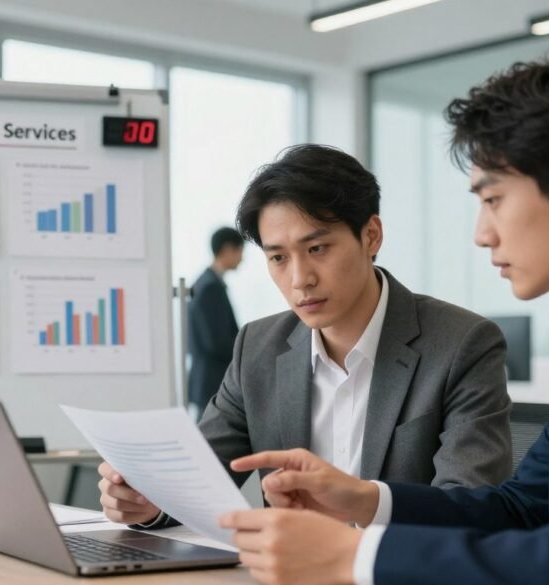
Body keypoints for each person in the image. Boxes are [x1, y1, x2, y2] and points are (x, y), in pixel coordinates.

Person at [219, 49, 549, 585]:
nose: (481, 234)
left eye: (493, 199)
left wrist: (352, 557)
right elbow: (521, 508)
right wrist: (364, 498)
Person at [98, 144, 513, 528]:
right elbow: (195, 479)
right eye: (278, 257)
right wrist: (149, 501)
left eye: (317, 249)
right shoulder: (257, 348)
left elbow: (469, 509)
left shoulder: (462, 344)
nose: (300, 279)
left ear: (371, 235)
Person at [187, 227, 244, 417]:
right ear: (227, 250)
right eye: (239, 251)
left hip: (206, 378)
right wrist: (246, 349)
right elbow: (216, 342)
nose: (242, 258)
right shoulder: (210, 287)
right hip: (212, 380)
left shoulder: (205, 282)